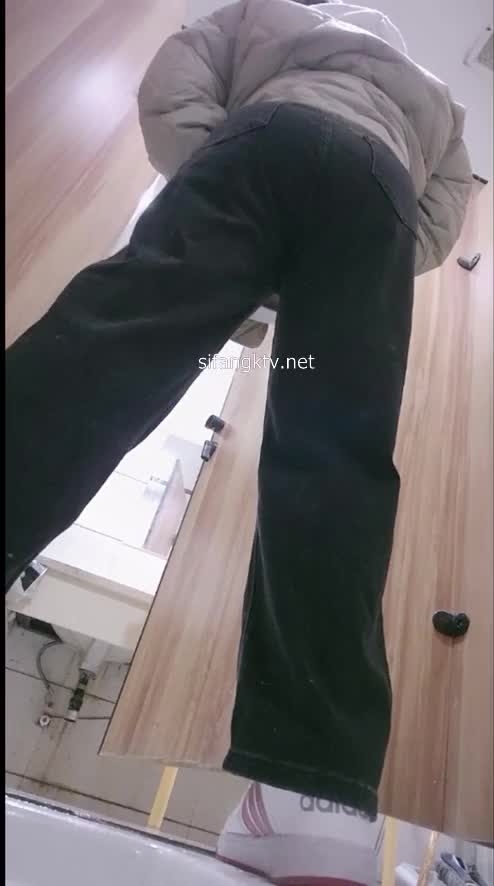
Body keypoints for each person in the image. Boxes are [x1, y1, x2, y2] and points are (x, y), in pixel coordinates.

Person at [6, 0, 472, 881]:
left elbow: (175, 77)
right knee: (336, 454)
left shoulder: (272, 15)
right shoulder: (437, 100)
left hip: (259, 145)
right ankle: (314, 797)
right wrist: (347, 262)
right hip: (378, 193)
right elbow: (442, 218)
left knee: (105, 352)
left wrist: (214, 187)